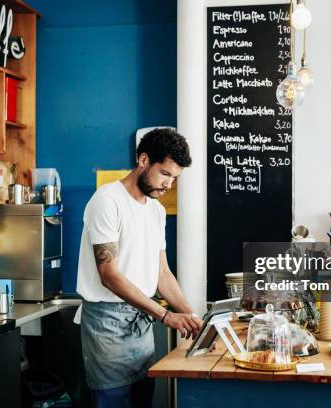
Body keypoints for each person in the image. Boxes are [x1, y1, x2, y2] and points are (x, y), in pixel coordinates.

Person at [76, 128, 203, 408]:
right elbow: (109, 275)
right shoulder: (107, 201)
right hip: (107, 326)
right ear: (144, 160)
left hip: (141, 325)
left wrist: (191, 315)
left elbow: (162, 274)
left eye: (175, 178)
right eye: (165, 174)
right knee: (113, 401)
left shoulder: (155, 210)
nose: (169, 184)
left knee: (143, 400)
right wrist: (165, 316)